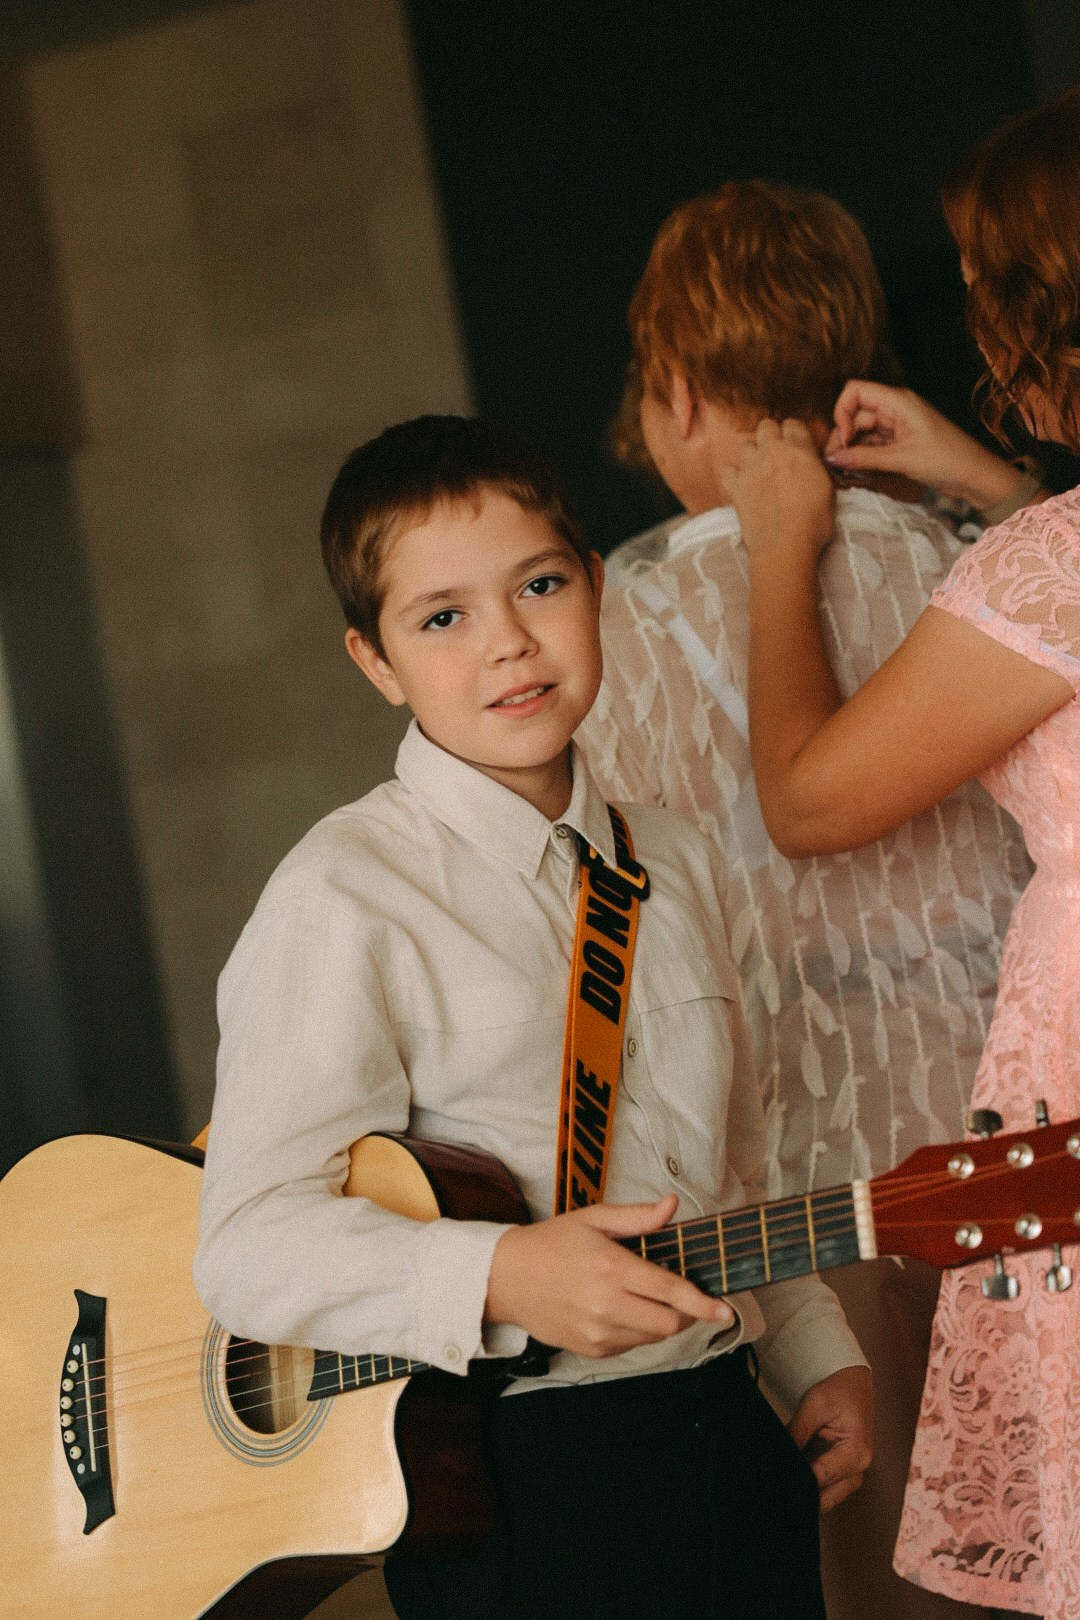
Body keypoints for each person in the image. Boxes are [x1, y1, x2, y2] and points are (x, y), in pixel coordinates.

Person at [193, 414, 872, 1620]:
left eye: (541, 585)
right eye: (442, 616)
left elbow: (741, 1161)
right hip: (511, 1479)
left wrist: (817, 1355)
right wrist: (500, 1271)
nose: (509, 643)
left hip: (727, 1430)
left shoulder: (675, 855)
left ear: (595, 586)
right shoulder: (341, 895)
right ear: (376, 663)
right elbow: (246, 1244)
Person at [577, 180, 1030, 1620]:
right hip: (1007, 1129)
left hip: (797, 1198)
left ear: (682, 390)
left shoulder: (615, 620)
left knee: (875, 1561)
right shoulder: (976, 559)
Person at [720, 90, 1080, 1620]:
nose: (972, 316)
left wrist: (777, 550)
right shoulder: (1042, 547)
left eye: (981, 276)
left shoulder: (1050, 565)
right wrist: (986, 488)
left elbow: (804, 801)